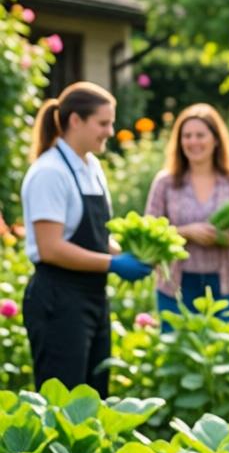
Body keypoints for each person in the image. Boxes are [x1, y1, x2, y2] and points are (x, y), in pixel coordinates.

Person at [20, 82, 152, 396]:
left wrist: (131, 256)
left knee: (94, 396)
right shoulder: (50, 172)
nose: (110, 131)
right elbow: (51, 248)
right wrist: (113, 263)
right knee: (63, 401)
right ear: (75, 120)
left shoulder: (91, 166)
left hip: (92, 297)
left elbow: (93, 237)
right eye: (103, 123)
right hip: (57, 298)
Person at [145, 103, 229, 324]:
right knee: (177, 354)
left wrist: (227, 238)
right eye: (186, 136)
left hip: (227, 285)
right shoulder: (165, 183)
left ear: (215, 140)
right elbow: (149, 234)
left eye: (200, 135)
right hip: (175, 285)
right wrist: (186, 232)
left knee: (226, 354)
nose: (193, 142)